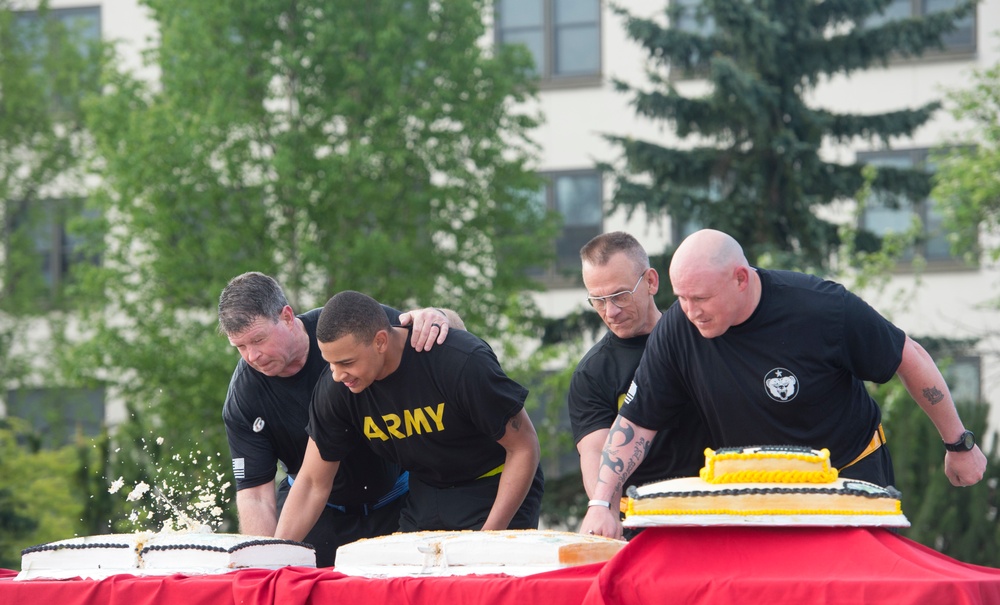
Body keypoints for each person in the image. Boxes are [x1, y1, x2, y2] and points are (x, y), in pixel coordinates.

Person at [581, 229, 988, 539]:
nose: (691, 311)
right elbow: (636, 422)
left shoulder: (821, 308)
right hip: (762, 495)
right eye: (682, 298)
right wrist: (601, 501)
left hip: (848, 480)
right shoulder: (678, 329)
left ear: (741, 279)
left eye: (701, 299)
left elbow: (908, 356)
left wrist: (959, 444)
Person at [218, 272, 465, 566]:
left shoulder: (346, 326)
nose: (252, 356)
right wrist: (264, 561)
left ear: (286, 317)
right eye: (240, 347)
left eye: (258, 340)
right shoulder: (244, 396)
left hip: (400, 499)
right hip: (315, 511)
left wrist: (439, 317)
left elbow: (452, 337)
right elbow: (256, 496)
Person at [274, 290, 544, 542]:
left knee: (478, 572)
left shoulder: (458, 361)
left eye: (346, 362)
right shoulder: (338, 388)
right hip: (427, 491)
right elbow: (312, 483)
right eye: (330, 363)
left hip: (494, 484)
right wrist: (274, 554)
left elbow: (524, 447)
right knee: (404, 574)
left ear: (380, 341)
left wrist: (488, 537)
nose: (337, 375)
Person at [569, 232, 708, 535]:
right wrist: (604, 511)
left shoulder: (701, 337)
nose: (610, 312)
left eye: (620, 295)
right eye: (598, 301)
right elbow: (596, 454)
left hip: (718, 511)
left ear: (651, 282)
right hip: (642, 522)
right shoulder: (592, 373)